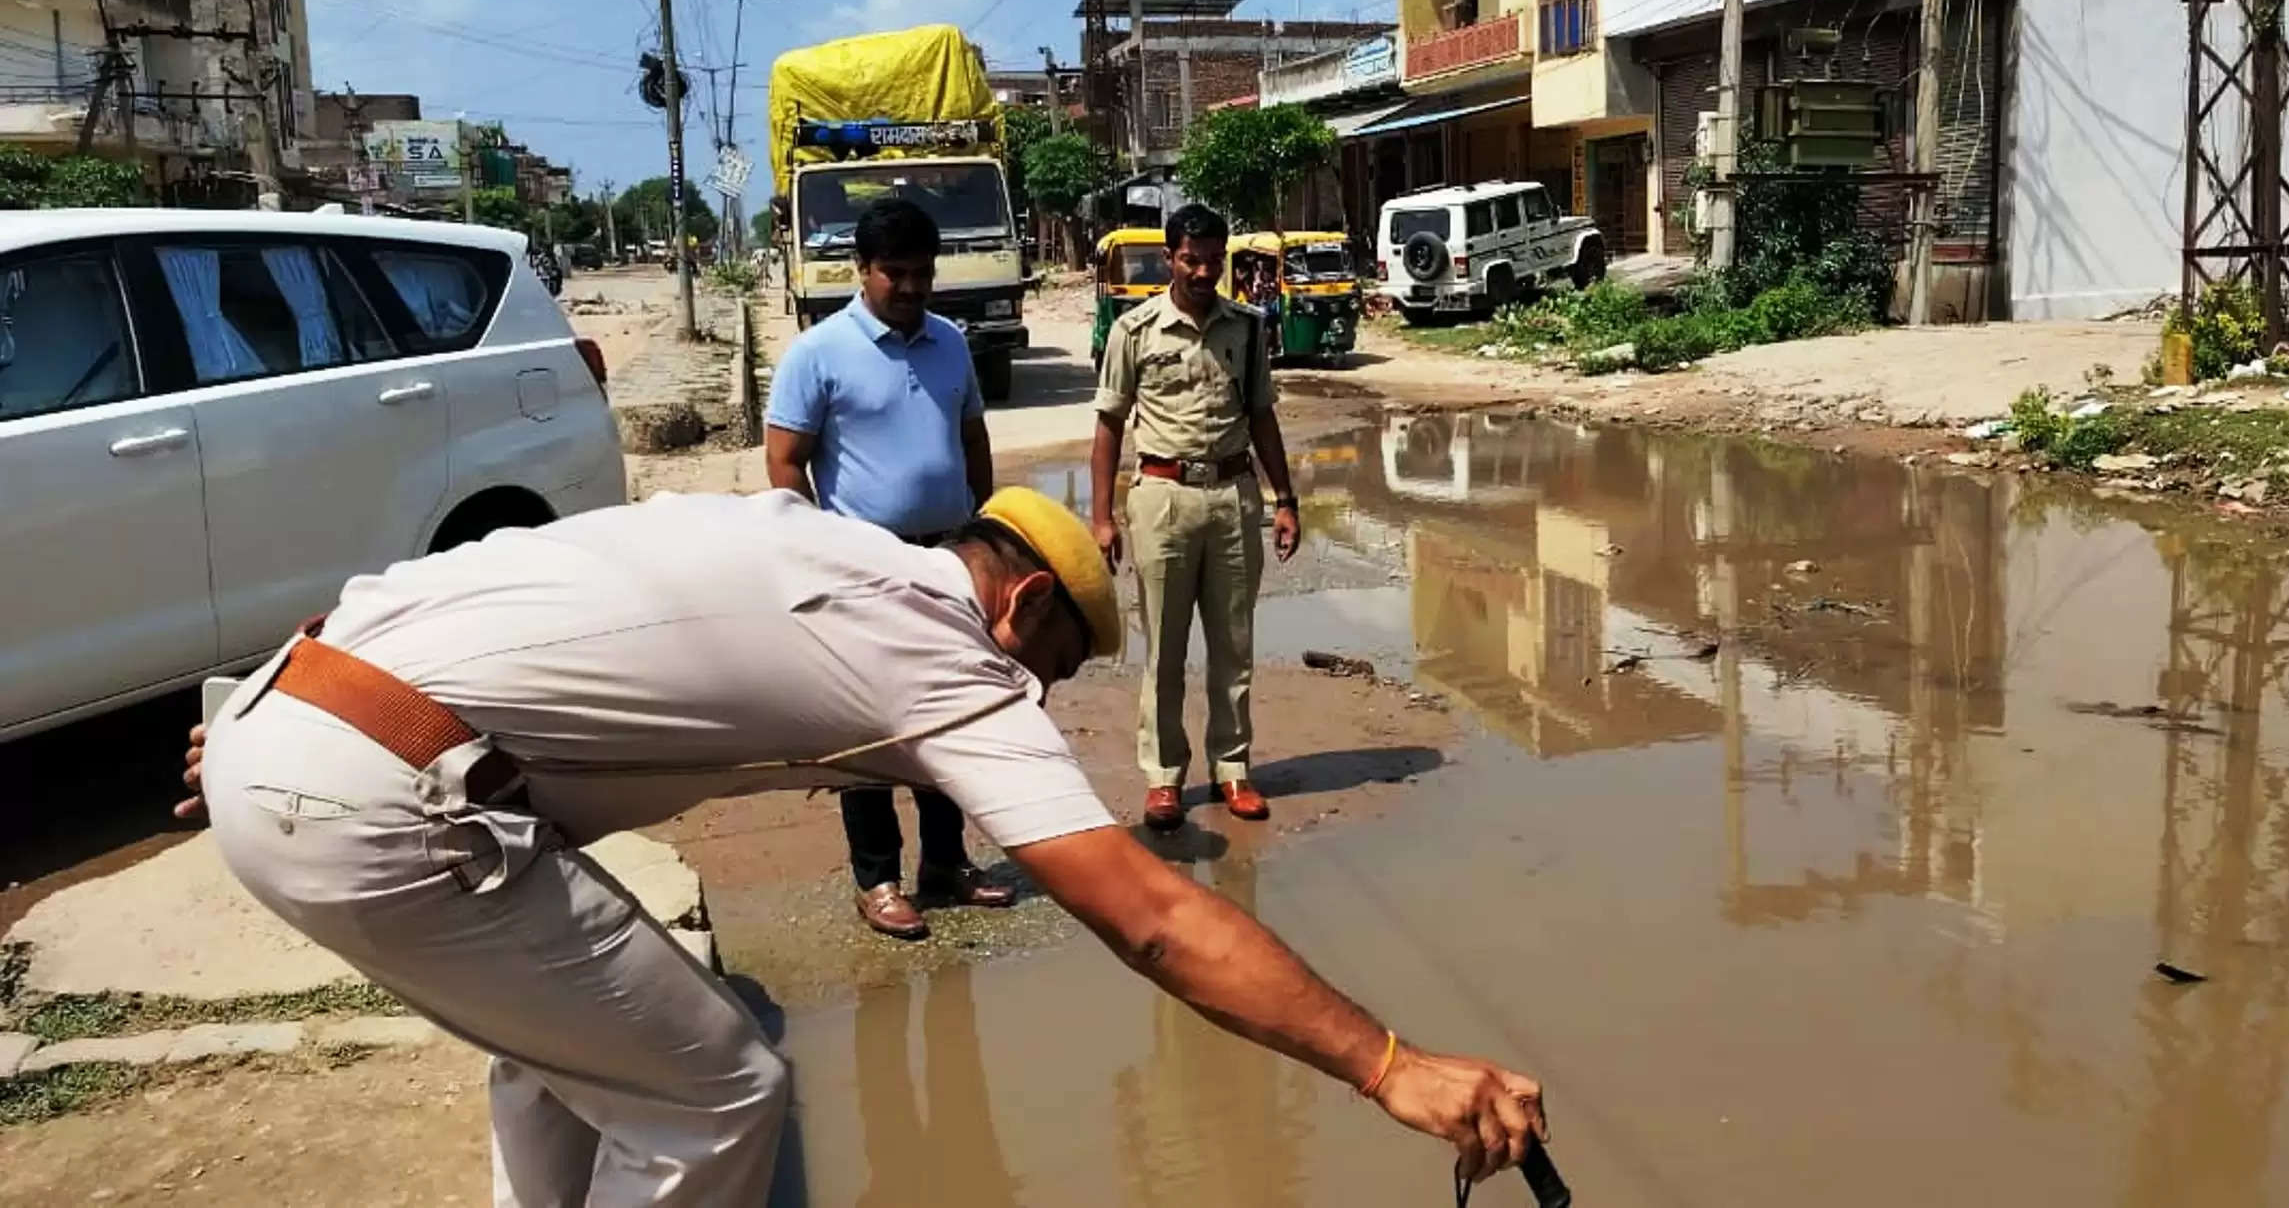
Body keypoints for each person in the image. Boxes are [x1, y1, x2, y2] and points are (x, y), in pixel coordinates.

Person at [179, 487, 1546, 1205]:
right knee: (718, 1089)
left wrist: (284, 721)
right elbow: (1151, 917)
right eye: (1055, 671)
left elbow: (487, 584)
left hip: (296, 716)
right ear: (1014, 611)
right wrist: (1387, 1063)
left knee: (573, 1056)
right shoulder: (942, 659)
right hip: (376, 794)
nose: (1042, 707)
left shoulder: (807, 543)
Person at [765, 194, 1015, 942]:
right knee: (872, 730)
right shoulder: (818, 352)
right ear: (861, 270)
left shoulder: (949, 343)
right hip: (859, 566)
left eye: (921, 274)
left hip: (946, 559)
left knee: (945, 716)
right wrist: (822, 553)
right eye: (894, 273)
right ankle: (877, 876)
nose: (909, 288)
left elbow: (972, 440)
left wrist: (981, 531)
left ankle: (946, 862)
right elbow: (783, 463)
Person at [1090, 203, 1301, 832]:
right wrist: (1102, 518)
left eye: (1214, 259)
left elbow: (1262, 415)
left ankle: (1233, 769)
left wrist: (1284, 499)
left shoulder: (1248, 327)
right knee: (1166, 647)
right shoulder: (1134, 330)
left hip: (1235, 498)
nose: (1204, 271)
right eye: (1192, 259)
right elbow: (1107, 424)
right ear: (1169, 257)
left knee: (1234, 645)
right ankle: (1163, 779)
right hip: (1162, 500)